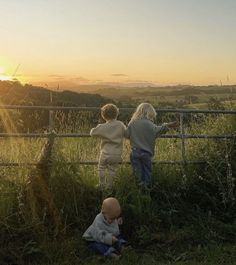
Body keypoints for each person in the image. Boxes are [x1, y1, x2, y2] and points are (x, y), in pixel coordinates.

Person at [126, 103, 177, 187]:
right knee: (147, 172)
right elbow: (158, 130)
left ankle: (138, 189)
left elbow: (127, 134)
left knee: (137, 172)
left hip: (135, 152)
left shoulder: (132, 123)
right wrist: (167, 125)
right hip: (146, 153)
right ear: (150, 113)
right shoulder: (149, 124)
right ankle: (146, 189)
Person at [90, 104, 126, 187]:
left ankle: (101, 184)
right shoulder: (120, 125)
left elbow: (92, 133)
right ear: (117, 113)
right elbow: (126, 134)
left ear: (103, 116)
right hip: (116, 154)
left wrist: (92, 129)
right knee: (112, 170)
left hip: (105, 153)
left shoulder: (102, 127)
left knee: (101, 168)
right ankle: (110, 186)